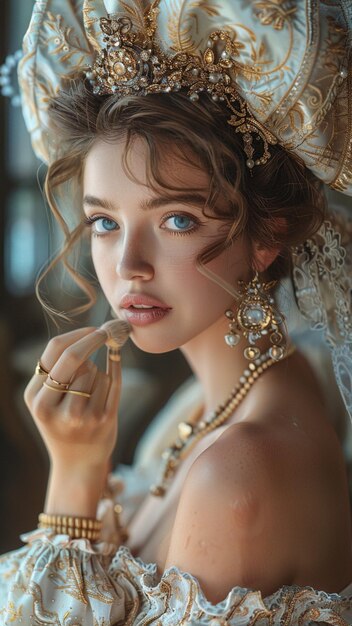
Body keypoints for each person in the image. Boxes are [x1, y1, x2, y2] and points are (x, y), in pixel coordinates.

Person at [0, 0, 352, 623]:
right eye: (104, 221)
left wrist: (75, 480)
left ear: (266, 234)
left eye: (177, 219)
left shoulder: (238, 474)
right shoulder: (216, 400)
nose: (128, 264)